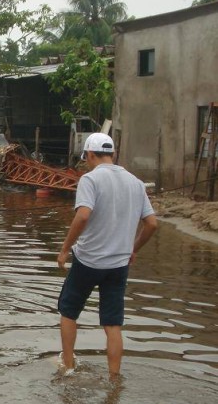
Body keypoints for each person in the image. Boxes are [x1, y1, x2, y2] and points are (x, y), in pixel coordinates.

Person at [57, 133, 157, 378]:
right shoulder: (136, 182)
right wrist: (133, 249)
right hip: (119, 264)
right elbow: (152, 224)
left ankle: (68, 367)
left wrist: (65, 249)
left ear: (90, 154)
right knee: (112, 323)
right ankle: (114, 378)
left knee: (68, 312)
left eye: (87, 158)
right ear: (112, 154)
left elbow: (82, 216)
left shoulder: (90, 180)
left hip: (89, 260)